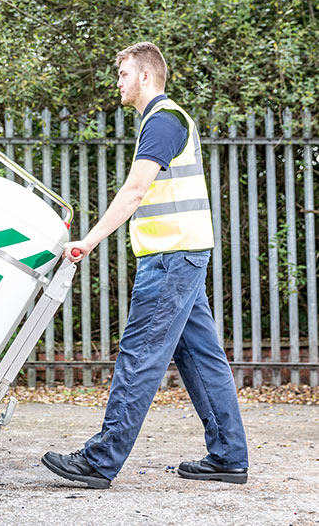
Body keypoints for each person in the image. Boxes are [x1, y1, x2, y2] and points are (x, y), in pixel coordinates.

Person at [41, 42, 249, 489]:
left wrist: (89, 241)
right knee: (201, 357)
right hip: (185, 252)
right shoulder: (168, 120)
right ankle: (229, 456)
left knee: (139, 355)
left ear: (145, 77)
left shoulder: (163, 121)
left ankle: (101, 460)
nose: (117, 82)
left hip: (172, 257)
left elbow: (135, 192)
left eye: (122, 74)